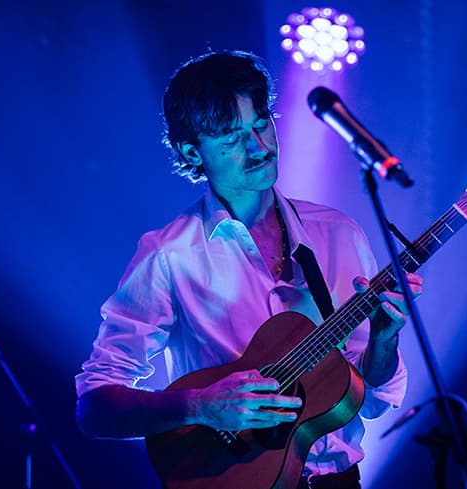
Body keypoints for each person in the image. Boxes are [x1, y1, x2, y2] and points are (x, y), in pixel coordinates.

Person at [75, 49, 423, 489]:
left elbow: (366, 399)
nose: (258, 147)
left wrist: (384, 339)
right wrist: (199, 406)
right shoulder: (168, 255)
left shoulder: (338, 233)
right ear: (192, 151)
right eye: (232, 138)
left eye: (261, 123)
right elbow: (94, 408)